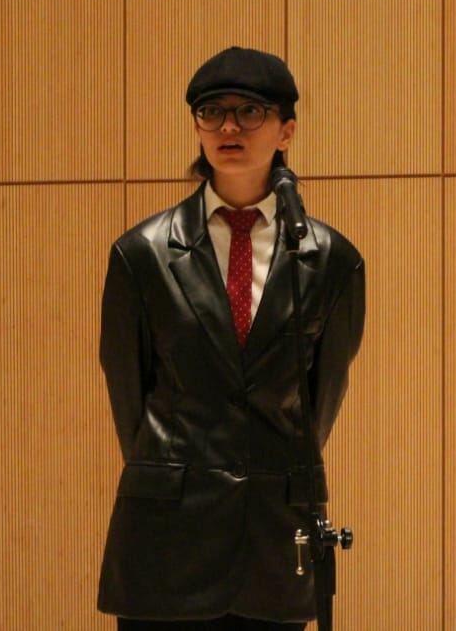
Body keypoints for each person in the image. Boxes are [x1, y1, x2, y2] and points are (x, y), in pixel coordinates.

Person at [97, 46, 366, 629]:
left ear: (286, 130)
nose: (228, 127)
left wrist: (269, 464)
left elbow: (319, 403)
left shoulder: (332, 260)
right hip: (167, 532)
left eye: (249, 111)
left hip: (276, 534)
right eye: (211, 111)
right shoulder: (141, 254)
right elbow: (129, 397)